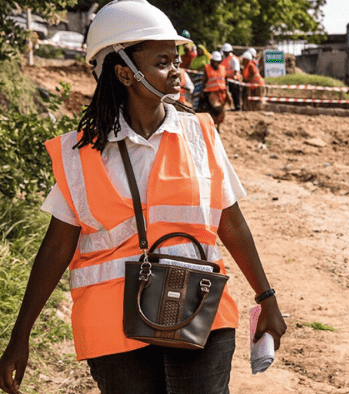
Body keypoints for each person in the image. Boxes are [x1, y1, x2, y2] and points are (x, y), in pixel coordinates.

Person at [0, 1, 286, 394]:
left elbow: (230, 221)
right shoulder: (80, 155)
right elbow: (55, 247)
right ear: (125, 73)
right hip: (113, 328)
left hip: (199, 311)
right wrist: (21, 335)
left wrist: (266, 297)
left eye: (177, 59)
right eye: (163, 61)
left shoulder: (200, 135)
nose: (177, 71)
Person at [202, 51, 231, 127]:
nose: (216, 63)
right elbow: (204, 81)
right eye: (215, 61)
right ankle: (212, 125)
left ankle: (219, 126)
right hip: (211, 93)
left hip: (222, 93)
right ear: (212, 61)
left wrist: (228, 93)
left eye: (218, 62)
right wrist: (202, 91)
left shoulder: (223, 68)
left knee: (221, 110)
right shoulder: (207, 68)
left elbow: (226, 81)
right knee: (213, 110)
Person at [221, 43, 242, 111]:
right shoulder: (224, 59)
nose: (225, 53)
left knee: (235, 94)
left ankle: (237, 107)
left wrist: (234, 77)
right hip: (227, 79)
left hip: (234, 80)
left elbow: (236, 69)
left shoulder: (233, 59)